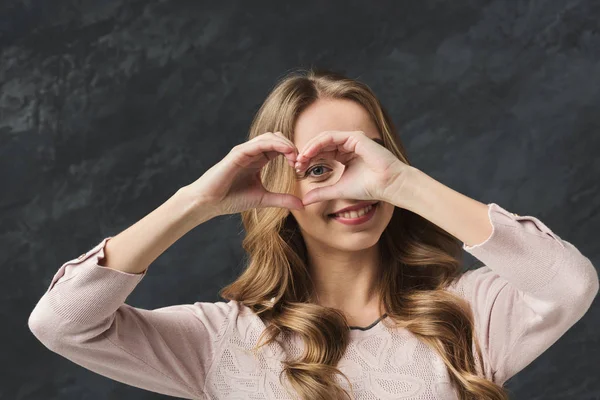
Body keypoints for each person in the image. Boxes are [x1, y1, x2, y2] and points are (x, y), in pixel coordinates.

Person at [28, 68, 598, 400]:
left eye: (369, 161)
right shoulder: (218, 341)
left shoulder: (468, 314)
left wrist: (403, 181)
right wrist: (193, 204)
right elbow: (62, 324)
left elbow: (569, 284)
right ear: (274, 186)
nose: (354, 192)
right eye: (318, 169)